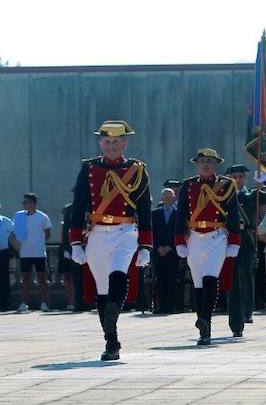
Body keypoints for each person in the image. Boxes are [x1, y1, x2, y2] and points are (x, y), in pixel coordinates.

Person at [68, 121, 153, 360]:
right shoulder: (89, 169)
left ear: (124, 143)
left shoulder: (137, 170)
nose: (112, 146)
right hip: (97, 232)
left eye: (116, 142)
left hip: (125, 231)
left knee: (119, 271)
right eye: (107, 142)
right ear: (100, 143)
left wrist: (146, 245)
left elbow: (145, 209)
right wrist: (75, 241)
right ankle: (111, 342)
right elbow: (78, 207)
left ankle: (115, 308)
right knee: (102, 288)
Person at [175, 148, 240, 346]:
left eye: (210, 161)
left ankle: (205, 319)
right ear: (197, 164)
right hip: (195, 237)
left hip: (217, 237)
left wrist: (235, 241)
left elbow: (233, 214)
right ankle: (205, 330)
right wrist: (179, 240)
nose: (205, 164)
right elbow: (182, 214)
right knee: (198, 283)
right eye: (202, 160)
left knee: (211, 277)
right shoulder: (188, 184)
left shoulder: (227, 185)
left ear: (216, 164)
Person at [223, 164, 266, 335]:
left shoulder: (253, 194)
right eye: (234, 176)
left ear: (245, 178)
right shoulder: (222, 195)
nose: (238, 179)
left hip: (247, 239)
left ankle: (248, 312)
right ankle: (234, 312)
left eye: (241, 176)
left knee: (246, 272)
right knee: (231, 276)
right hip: (229, 238)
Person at [14, 193, 53, 313]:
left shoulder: (43, 217)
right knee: (25, 278)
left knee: (42, 278)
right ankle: (24, 304)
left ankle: (43, 303)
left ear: (33, 203)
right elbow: (16, 233)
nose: (24, 204)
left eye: (26, 202)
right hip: (25, 253)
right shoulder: (20, 216)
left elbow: (47, 233)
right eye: (23, 202)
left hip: (39, 253)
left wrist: (39, 244)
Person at [152, 188, 180, 314]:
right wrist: (158, 247)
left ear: (174, 198)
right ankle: (162, 306)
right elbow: (152, 233)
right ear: (162, 198)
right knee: (160, 279)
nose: (168, 198)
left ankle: (173, 305)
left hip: (172, 252)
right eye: (165, 196)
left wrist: (170, 247)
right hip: (158, 251)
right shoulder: (154, 213)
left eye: (170, 196)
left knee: (172, 279)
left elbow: (180, 232)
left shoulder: (179, 213)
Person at [58, 203, 76, 311]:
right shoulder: (63, 224)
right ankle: (70, 301)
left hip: (74, 248)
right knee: (67, 276)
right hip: (65, 249)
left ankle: (75, 300)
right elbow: (61, 237)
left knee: (74, 277)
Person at [0, 204, 15, 311]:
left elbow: (14, 236)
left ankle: (5, 303)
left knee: (4, 278)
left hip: (3, 253)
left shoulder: (7, 221)